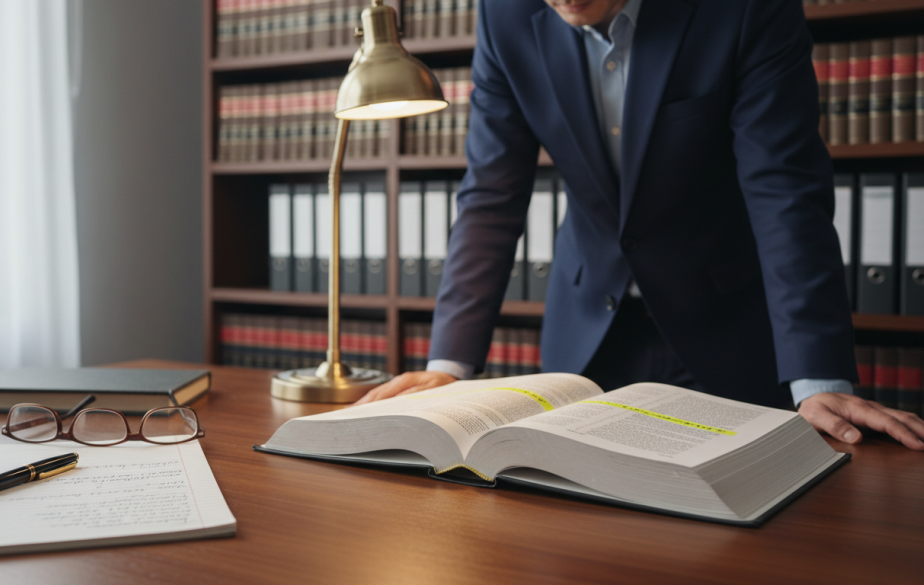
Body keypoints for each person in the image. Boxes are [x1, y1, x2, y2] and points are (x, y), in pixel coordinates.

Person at [357, 0, 924, 450]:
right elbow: (490, 195)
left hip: (727, 329)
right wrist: (449, 367)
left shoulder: (747, 8)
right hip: (585, 338)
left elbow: (785, 192)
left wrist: (819, 382)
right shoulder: (505, 14)